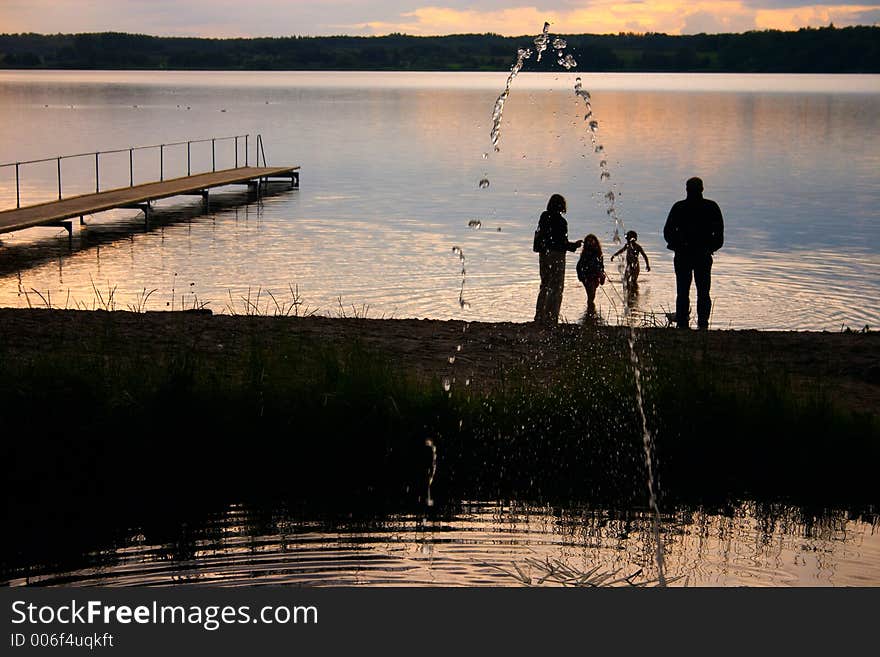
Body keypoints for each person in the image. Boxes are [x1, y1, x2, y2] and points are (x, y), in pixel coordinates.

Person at [663, 177, 724, 329]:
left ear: (686, 189)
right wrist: (710, 248)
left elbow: (667, 232)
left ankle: (685, 323)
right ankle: (701, 324)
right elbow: (719, 235)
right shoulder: (711, 207)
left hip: (687, 255)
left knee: (685, 292)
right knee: (701, 292)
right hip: (700, 255)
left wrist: (677, 245)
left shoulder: (679, 207)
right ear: (702, 189)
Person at [533, 194, 582, 324]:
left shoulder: (544, 217)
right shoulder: (561, 222)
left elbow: (543, 236)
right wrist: (574, 246)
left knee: (545, 284)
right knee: (556, 286)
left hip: (544, 255)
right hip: (557, 255)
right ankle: (551, 317)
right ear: (562, 206)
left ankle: (539, 316)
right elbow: (561, 243)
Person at [576, 234, 605, 318]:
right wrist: (581, 277)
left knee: (592, 294)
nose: (590, 242)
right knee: (591, 294)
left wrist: (602, 274)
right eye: (588, 241)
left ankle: (590, 312)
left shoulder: (599, 254)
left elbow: (601, 266)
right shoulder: (585, 254)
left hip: (595, 276)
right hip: (587, 276)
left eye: (592, 240)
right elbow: (579, 266)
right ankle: (590, 312)